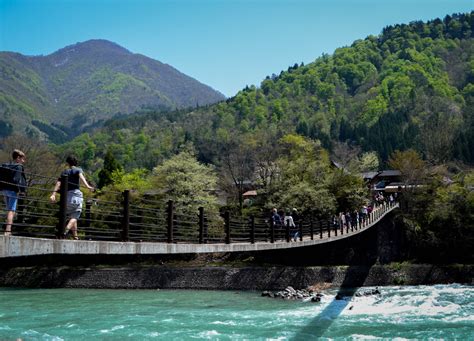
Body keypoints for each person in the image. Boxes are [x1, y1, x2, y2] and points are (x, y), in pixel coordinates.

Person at [50, 156, 94, 240]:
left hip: (66, 198)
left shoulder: (64, 172)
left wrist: (53, 194)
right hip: (75, 196)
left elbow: (58, 183)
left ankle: (75, 236)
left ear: (67, 163)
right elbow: (82, 178)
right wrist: (88, 186)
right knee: (75, 216)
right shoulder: (78, 169)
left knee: (73, 217)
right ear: (76, 163)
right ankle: (64, 231)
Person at [1, 149, 27, 236]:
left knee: (9, 210)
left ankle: (6, 229)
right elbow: (17, 179)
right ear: (18, 158)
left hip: (4, 190)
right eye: (23, 159)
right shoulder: (19, 167)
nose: (23, 161)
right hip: (12, 191)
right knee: (11, 210)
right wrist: (21, 190)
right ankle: (8, 231)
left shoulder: (7, 165)